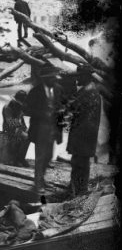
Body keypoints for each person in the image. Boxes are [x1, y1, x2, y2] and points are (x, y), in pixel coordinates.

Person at [26, 64, 64, 194]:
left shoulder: (58, 89)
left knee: (49, 155)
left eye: (55, 77)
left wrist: (61, 115)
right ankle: (38, 183)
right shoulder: (35, 91)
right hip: (40, 127)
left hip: (53, 127)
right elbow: (26, 109)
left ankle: (42, 178)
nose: (55, 80)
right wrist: (41, 113)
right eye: (52, 78)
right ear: (45, 78)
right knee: (40, 156)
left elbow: (60, 107)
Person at [65, 65, 102, 196]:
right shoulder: (87, 91)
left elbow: (74, 110)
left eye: (79, 76)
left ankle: (80, 191)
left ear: (86, 76)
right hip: (83, 136)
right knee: (78, 163)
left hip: (83, 137)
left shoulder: (90, 92)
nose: (76, 78)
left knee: (80, 163)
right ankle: (76, 188)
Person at [2, 90, 30, 167]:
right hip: (9, 128)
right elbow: (11, 123)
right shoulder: (8, 107)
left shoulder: (19, 106)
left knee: (30, 135)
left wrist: (26, 129)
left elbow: (21, 120)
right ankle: (16, 159)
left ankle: (21, 158)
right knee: (26, 137)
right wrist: (22, 132)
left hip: (17, 127)